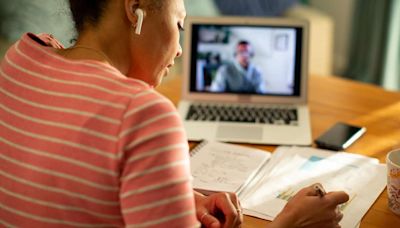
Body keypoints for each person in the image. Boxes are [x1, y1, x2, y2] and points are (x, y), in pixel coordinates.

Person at [0, 0, 348, 227]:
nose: (181, 49)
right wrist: (289, 223)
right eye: (179, 25)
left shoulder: (22, 56)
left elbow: (65, 181)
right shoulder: (143, 113)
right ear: (135, 9)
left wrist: (174, 198)